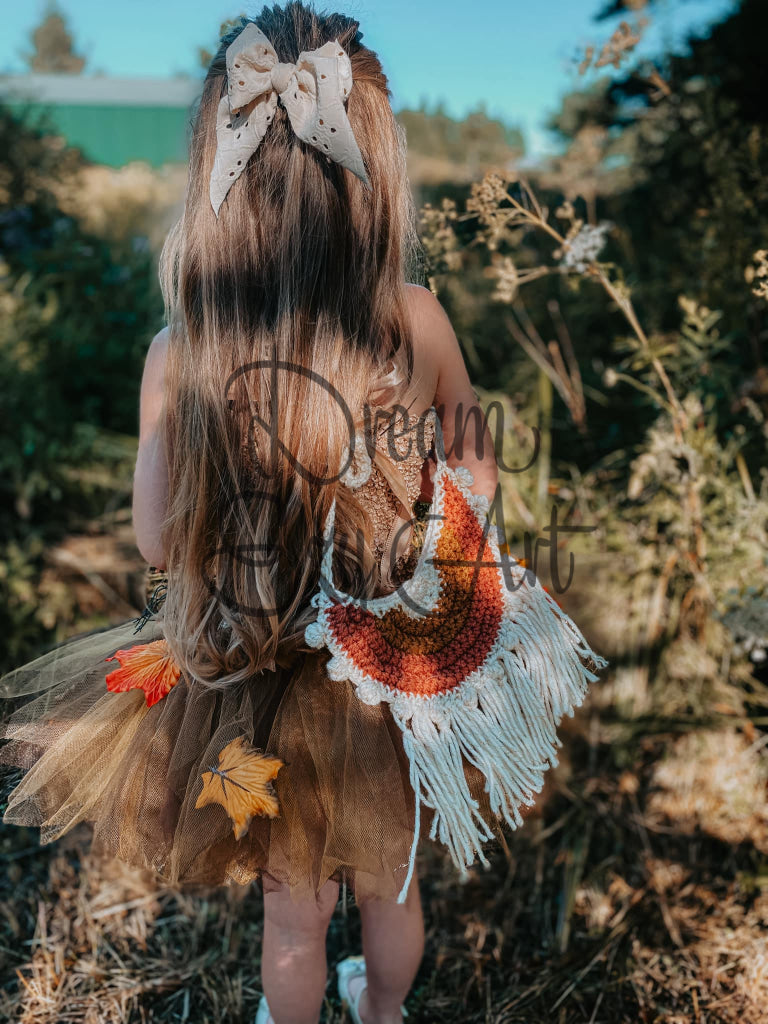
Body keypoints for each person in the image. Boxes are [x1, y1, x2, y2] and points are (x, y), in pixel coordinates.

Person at [0, 5, 606, 1023]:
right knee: (392, 880)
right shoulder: (413, 316)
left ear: (214, 175)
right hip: (388, 665)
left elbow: (155, 541)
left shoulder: (178, 352)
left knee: (292, 911)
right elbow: (476, 465)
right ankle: (383, 1011)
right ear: (374, 166)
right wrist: (434, 526)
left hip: (248, 666)